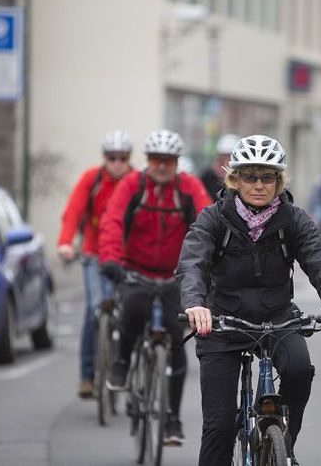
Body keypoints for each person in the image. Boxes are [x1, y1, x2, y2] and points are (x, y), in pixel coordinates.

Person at [176, 134, 321, 466]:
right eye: (249, 175)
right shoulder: (214, 219)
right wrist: (195, 304)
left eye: (267, 176)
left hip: (277, 316)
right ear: (235, 179)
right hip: (223, 321)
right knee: (219, 427)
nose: (258, 184)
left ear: (278, 180)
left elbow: (320, 260)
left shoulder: (294, 220)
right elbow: (192, 262)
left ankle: (283, 443)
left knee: (300, 370)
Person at [98, 129, 211, 445]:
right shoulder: (132, 185)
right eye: (156, 160)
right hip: (137, 270)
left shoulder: (188, 188)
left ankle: (173, 420)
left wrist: (211, 270)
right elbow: (112, 221)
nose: (162, 166)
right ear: (147, 161)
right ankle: (120, 363)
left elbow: (207, 226)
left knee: (177, 343)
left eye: (169, 161)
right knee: (133, 309)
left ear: (176, 162)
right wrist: (110, 258)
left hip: (176, 275)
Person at [56, 130, 133, 399]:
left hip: (126, 257)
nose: (117, 163)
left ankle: (127, 366)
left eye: (123, 158)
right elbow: (73, 211)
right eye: (112, 158)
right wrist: (65, 242)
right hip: (93, 254)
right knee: (93, 310)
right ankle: (87, 376)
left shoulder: (137, 182)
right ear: (104, 158)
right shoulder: (92, 179)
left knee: (132, 312)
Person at [200, 133, 239, 201]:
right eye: (224, 157)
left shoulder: (244, 178)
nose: (227, 161)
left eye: (230, 157)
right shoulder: (208, 177)